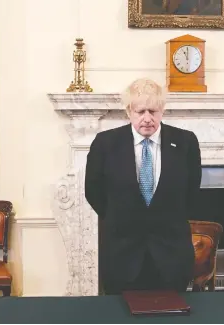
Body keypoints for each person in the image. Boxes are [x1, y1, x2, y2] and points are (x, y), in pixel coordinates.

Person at [84, 78, 202, 295]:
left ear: (162, 110)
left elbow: (192, 191)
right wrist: (121, 215)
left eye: (153, 111)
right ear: (129, 111)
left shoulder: (186, 142)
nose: (147, 119)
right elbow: (93, 191)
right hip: (122, 256)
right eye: (140, 112)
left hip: (171, 257)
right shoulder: (105, 143)